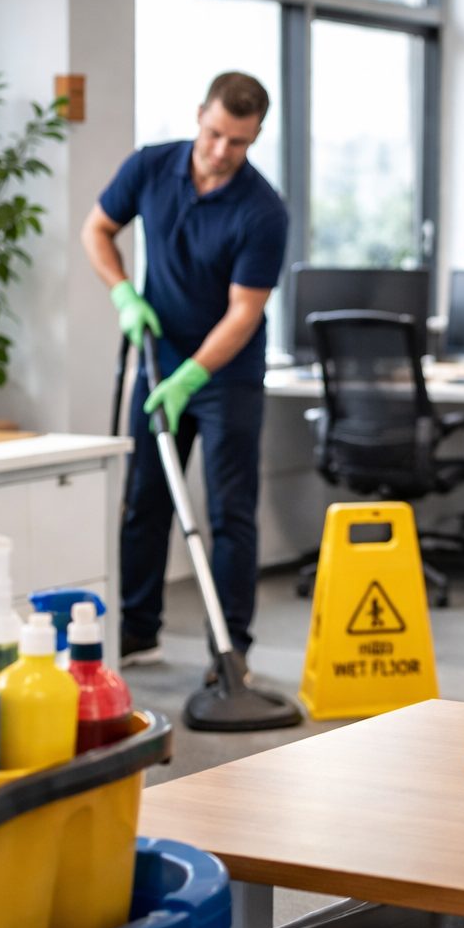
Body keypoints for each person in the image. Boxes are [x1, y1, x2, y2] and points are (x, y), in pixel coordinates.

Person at [81, 71, 288, 668]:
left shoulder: (262, 210)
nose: (221, 151)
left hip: (227, 379)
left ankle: (231, 650)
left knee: (229, 513)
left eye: (238, 142)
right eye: (215, 133)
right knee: (144, 501)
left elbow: (244, 312)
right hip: (156, 362)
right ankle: (138, 629)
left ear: (255, 137)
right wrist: (123, 292)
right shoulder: (150, 167)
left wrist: (192, 376)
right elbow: (97, 229)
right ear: (200, 115)